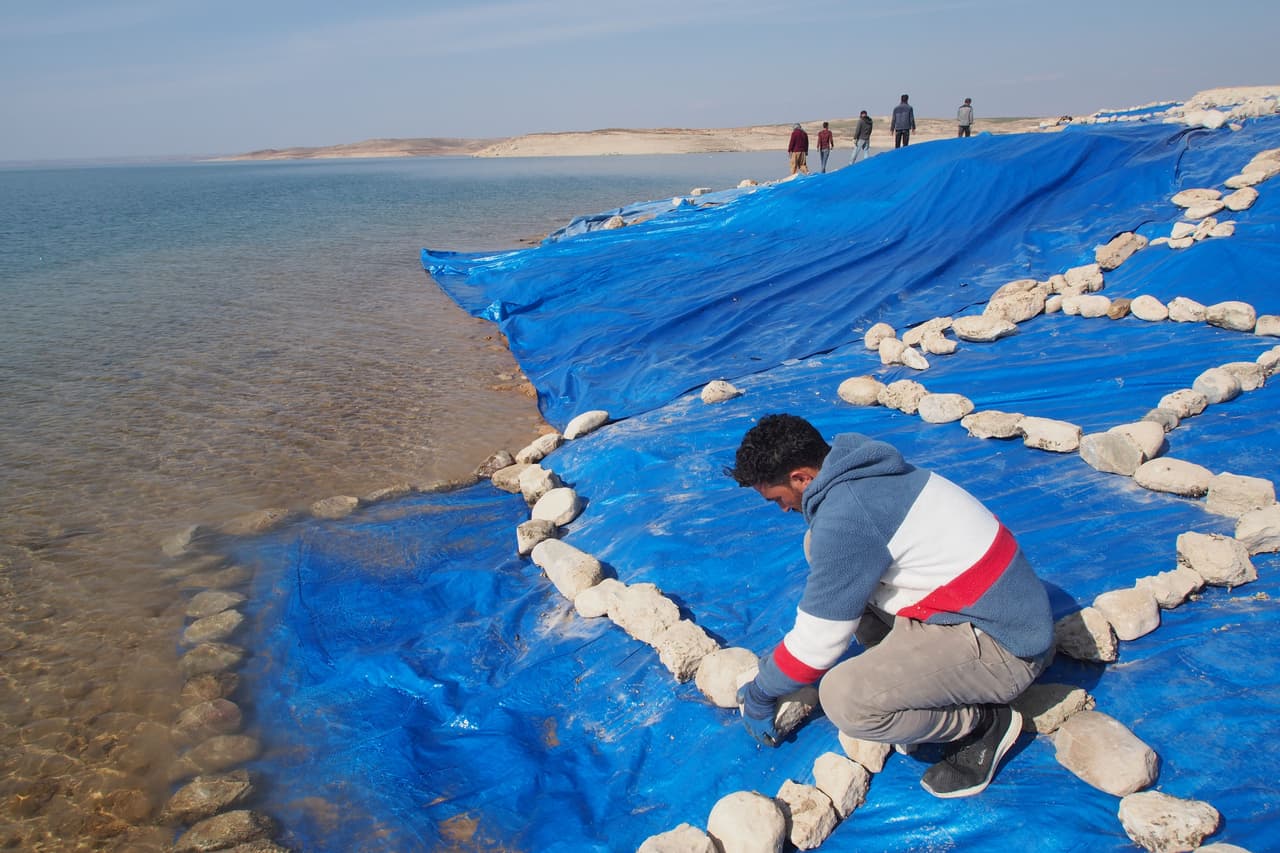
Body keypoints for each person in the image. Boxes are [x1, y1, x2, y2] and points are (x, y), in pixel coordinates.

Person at [727, 414, 1054, 799]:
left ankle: (982, 723)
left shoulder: (848, 516)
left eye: (777, 499)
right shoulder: (862, 468)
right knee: (818, 547)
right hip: (990, 607)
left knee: (844, 699)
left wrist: (762, 691)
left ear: (800, 477)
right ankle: (906, 678)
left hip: (1009, 646)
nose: (782, 509)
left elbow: (817, 645)